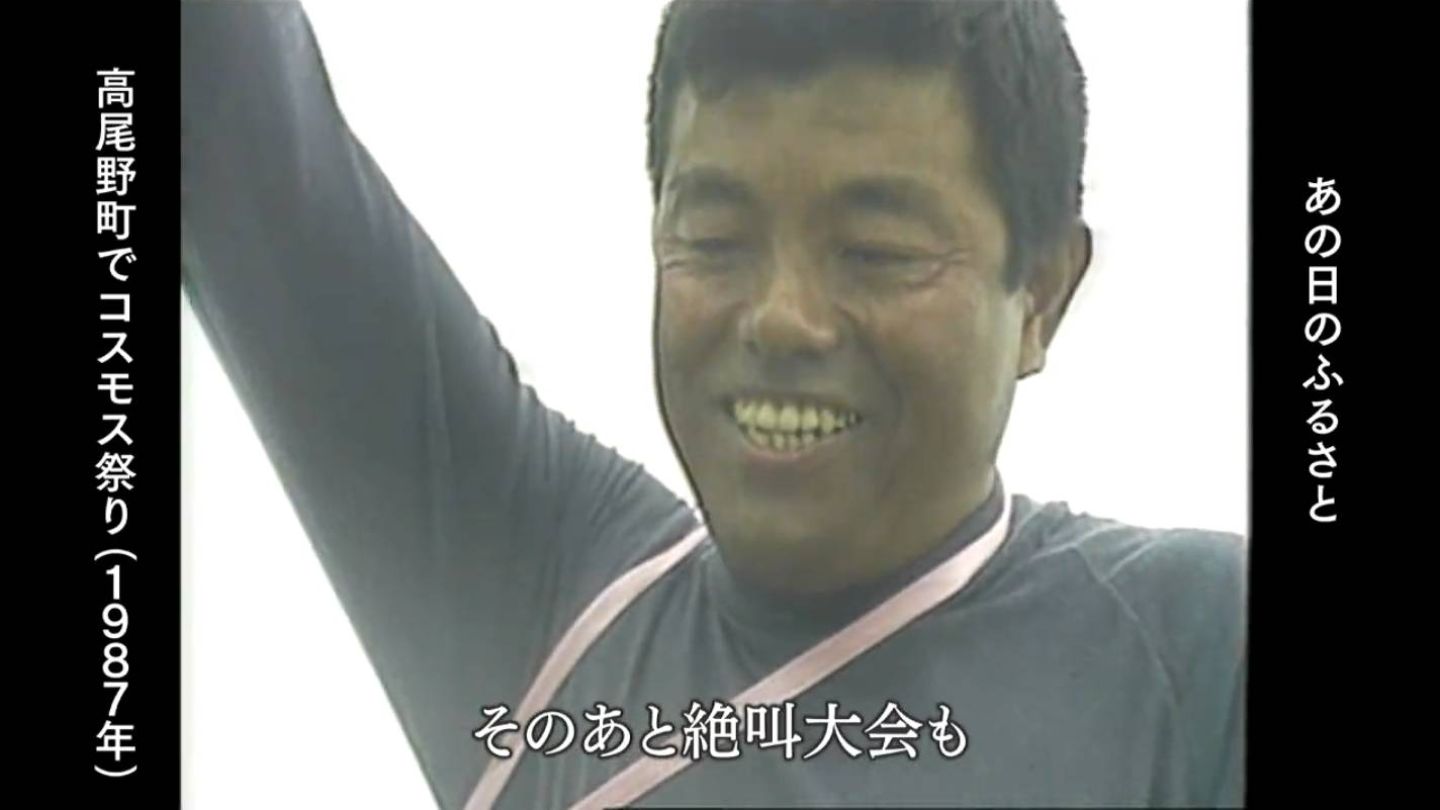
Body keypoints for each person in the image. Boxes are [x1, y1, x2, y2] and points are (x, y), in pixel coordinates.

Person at [181, 0, 1246, 807]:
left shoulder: (1200, 650)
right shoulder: (548, 608)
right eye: (716, 239)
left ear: (1041, 296)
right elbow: (227, 105)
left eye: (877, 251)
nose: (782, 318)